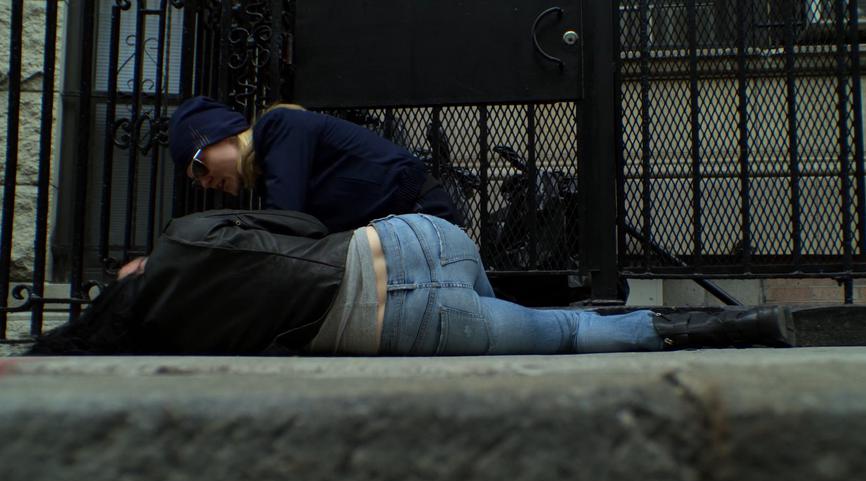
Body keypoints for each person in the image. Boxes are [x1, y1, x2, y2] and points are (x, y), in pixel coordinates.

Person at [30, 210, 795, 356]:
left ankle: (735, 328)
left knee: (562, 335)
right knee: (539, 317)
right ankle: (741, 325)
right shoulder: (185, 235)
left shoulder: (176, 341)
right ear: (132, 277)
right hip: (415, 239)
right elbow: (298, 226)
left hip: (400, 329)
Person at [168, 97, 460, 232]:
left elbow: (286, 225)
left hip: (423, 219)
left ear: (223, 135)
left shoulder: (279, 126)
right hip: (403, 229)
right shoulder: (270, 168)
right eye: (196, 180)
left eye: (198, 167)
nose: (204, 182)